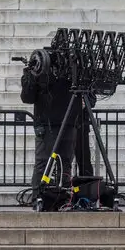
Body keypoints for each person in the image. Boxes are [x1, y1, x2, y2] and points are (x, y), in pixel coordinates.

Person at [20, 68, 77, 205]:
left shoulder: (73, 69)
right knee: (43, 163)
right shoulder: (39, 70)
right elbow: (27, 97)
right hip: (46, 124)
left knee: (65, 163)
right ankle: (38, 197)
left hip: (68, 122)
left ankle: (63, 197)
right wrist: (31, 76)